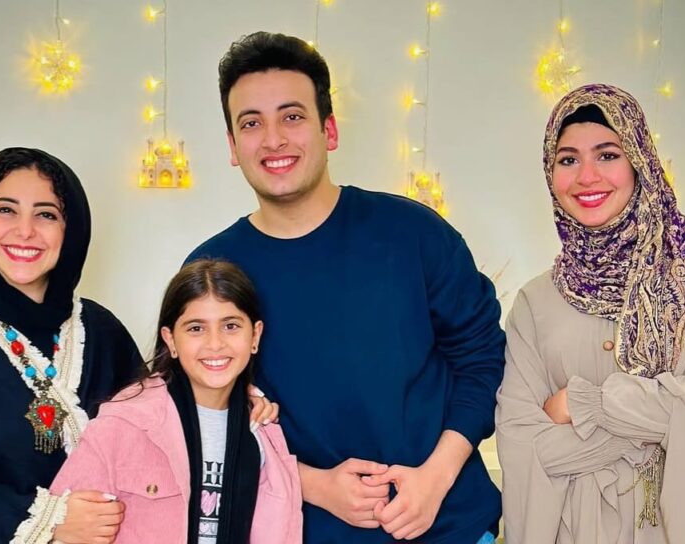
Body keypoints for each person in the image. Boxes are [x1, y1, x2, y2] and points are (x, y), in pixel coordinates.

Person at [186, 32, 504, 543]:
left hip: (450, 525)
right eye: (251, 123)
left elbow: (483, 360)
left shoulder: (414, 233)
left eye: (292, 116)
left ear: (328, 130)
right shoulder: (212, 271)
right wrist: (311, 484)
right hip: (302, 531)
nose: (273, 139)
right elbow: (199, 415)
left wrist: (436, 477)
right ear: (232, 146)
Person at [496, 83, 685, 543]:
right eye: (568, 160)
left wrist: (586, 404)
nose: (587, 177)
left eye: (607, 155)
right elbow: (524, 444)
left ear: (639, 160)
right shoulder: (536, 302)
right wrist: (652, 429)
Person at [50, 259, 302, 543]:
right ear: (170, 340)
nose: (215, 344)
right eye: (196, 328)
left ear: (254, 335)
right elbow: (63, 529)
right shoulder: (121, 425)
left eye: (230, 326)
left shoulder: (264, 429)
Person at [0, 147, 141, 543]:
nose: (25, 230)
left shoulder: (103, 329)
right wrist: (50, 520)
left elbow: (157, 429)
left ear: (70, 231)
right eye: (6, 210)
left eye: (46, 214)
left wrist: (232, 400)